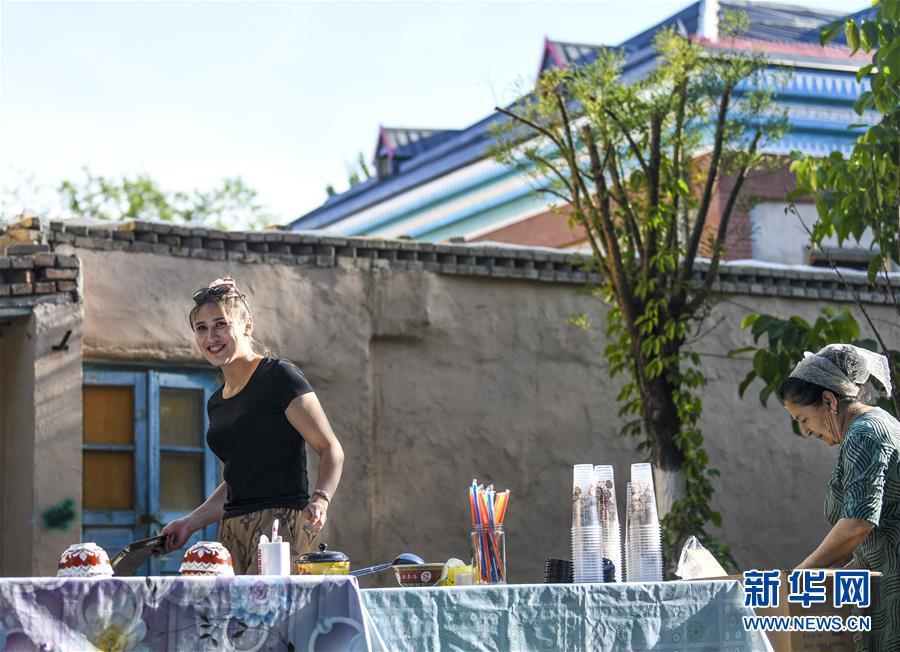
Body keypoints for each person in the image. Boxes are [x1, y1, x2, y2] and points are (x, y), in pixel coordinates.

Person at [159, 276, 345, 574]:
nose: (211, 337)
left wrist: (321, 499)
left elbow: (330, 448)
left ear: (247, 326)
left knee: (269, 607)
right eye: (201, 328)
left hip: (280, 527)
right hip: (231, 531)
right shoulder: (216, 402)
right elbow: (239, 480)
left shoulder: (279, 376)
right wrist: (189, 523)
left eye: (221, 324)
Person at [778, 343, 899, 649]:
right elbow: (855, 541)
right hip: (880, 588)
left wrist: (797, 577)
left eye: (803, 419)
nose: (806, 431)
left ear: (829, 400)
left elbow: (858, 523)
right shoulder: (879, 423)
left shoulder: (865, 433)